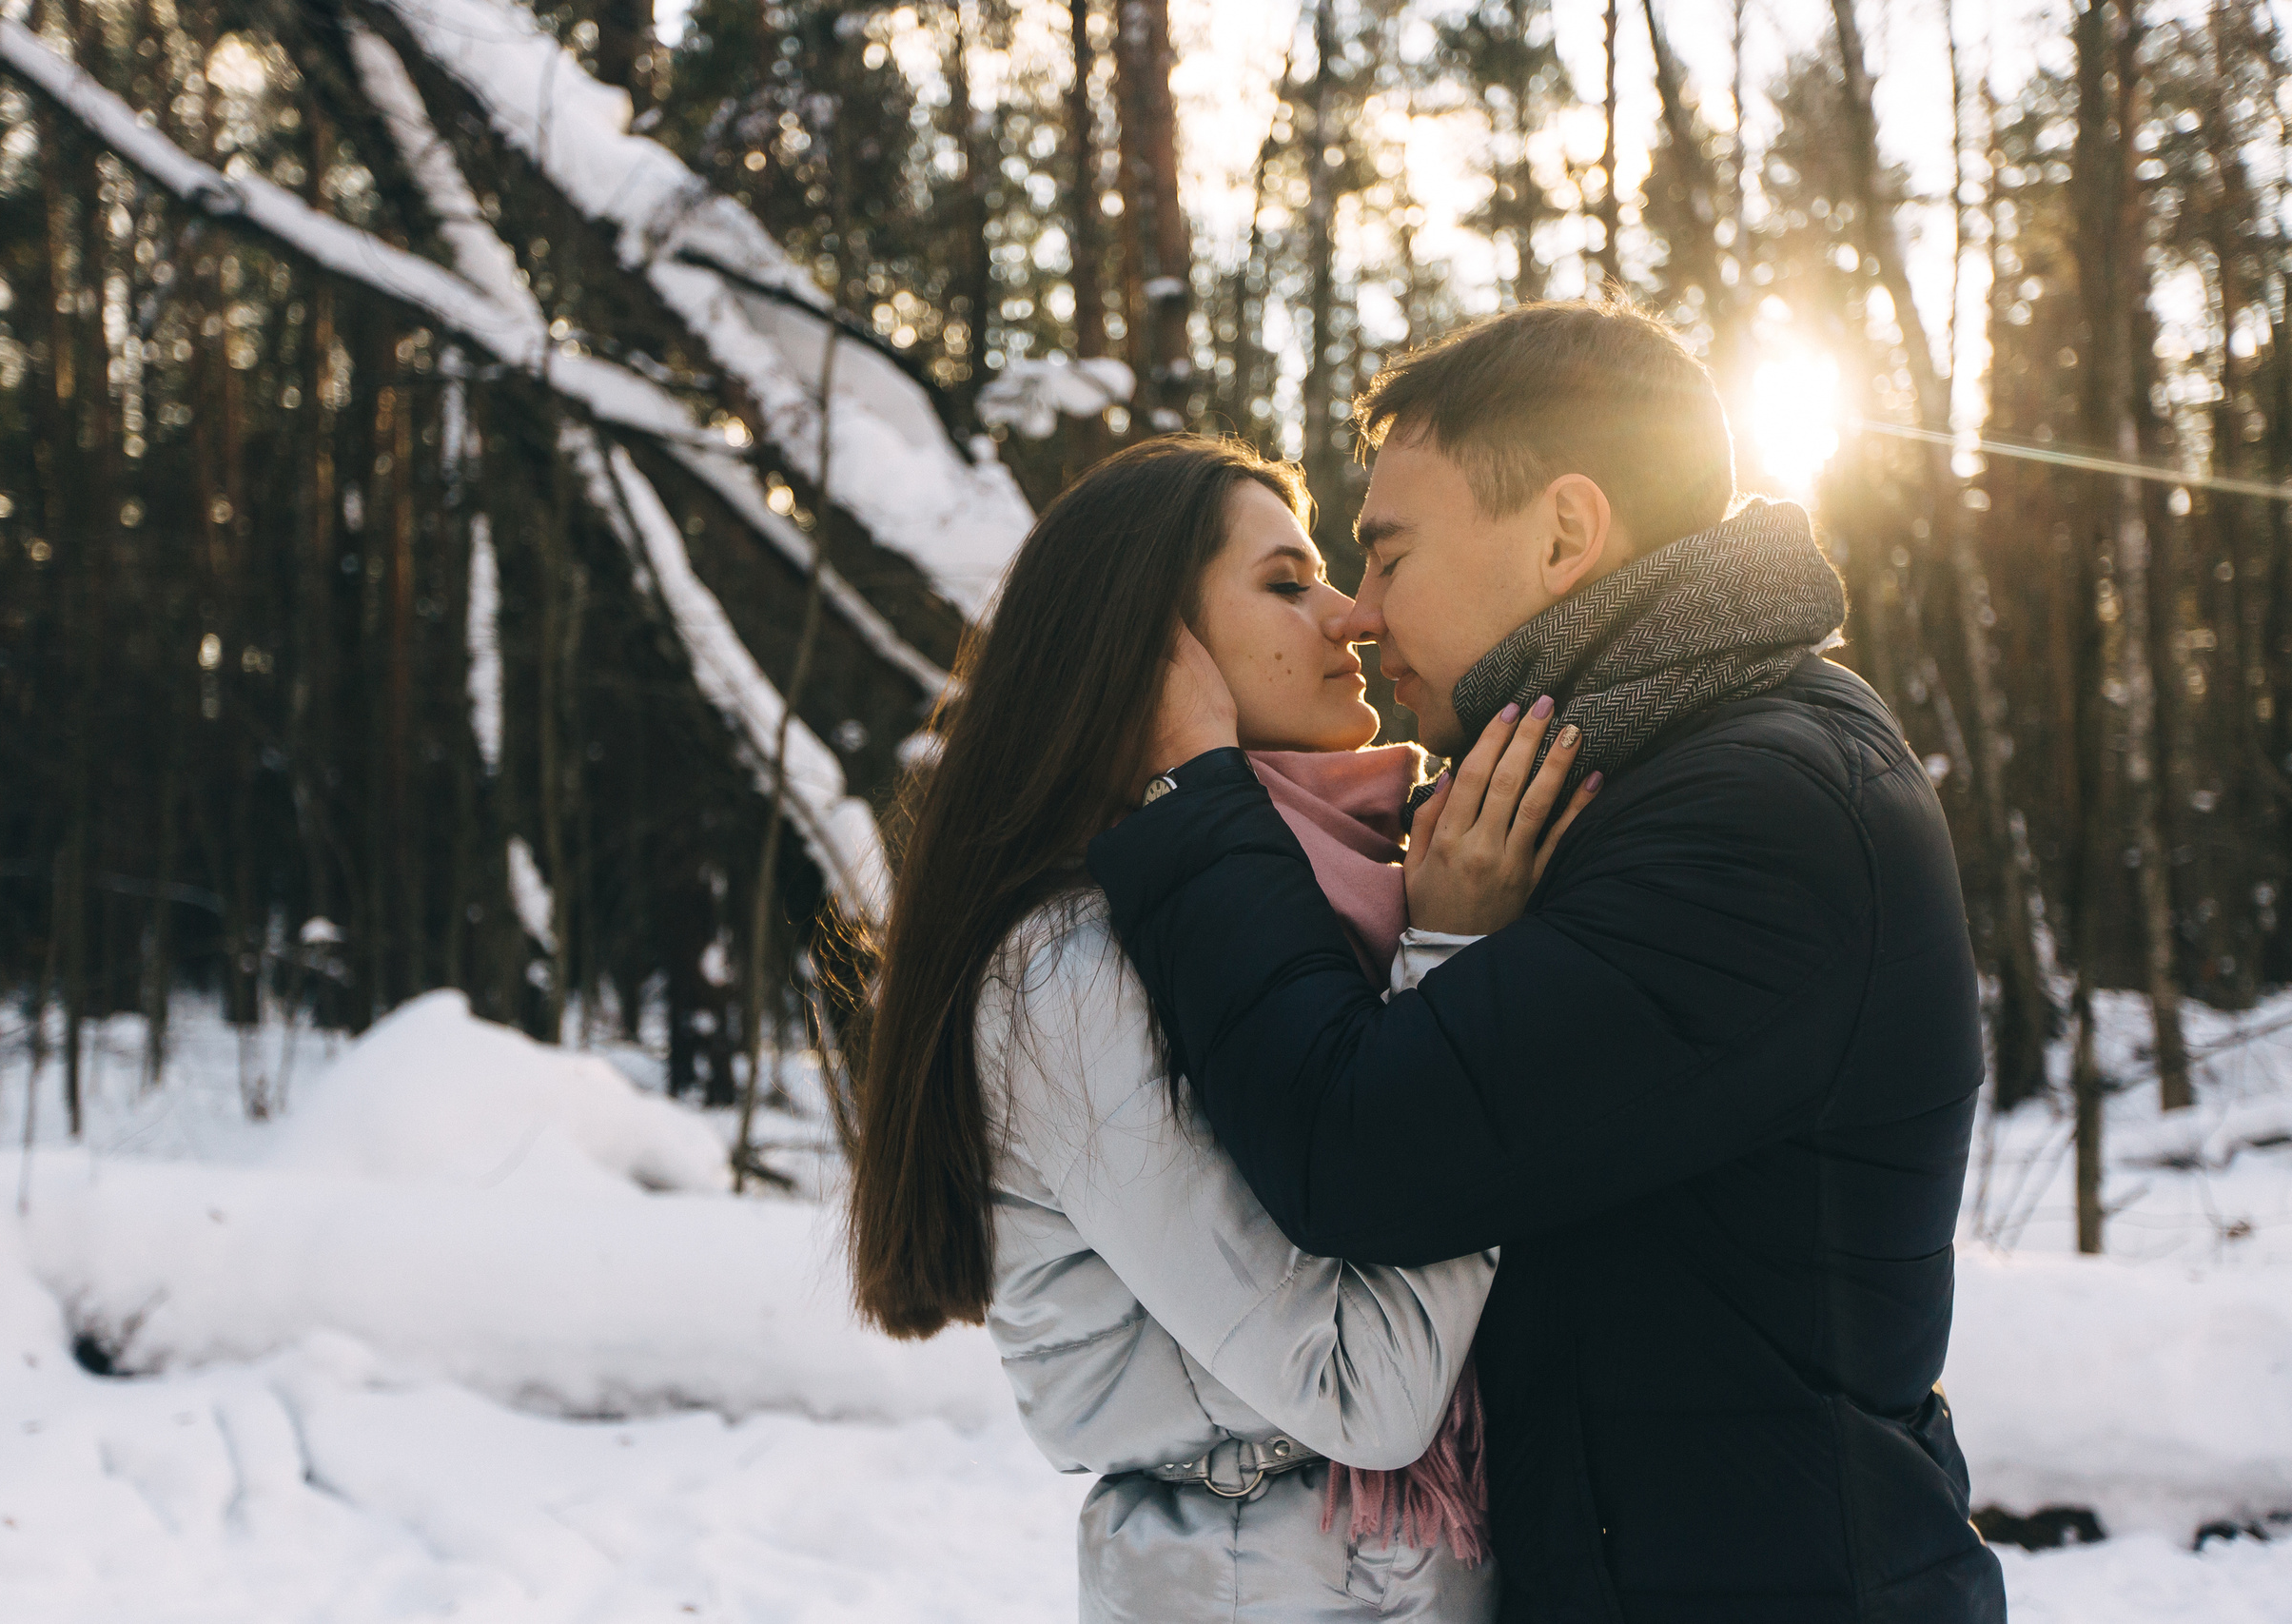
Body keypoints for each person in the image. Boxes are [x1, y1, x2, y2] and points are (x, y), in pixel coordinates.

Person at [1089, 303, 2008, 1623]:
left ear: (1566, 534)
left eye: (1388, 553)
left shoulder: (1761, 816)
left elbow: (1357, 1150)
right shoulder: (1654, 765)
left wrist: (1195, 799)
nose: (1358, 610)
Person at [844, 437, 1591, 1621]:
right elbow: (1366, 1391)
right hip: (1267, 1576)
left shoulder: (1320, 895)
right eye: (1287, 583)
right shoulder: (1071, 973)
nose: (1349, 613)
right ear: (1148, 654)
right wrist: (1451, 972)